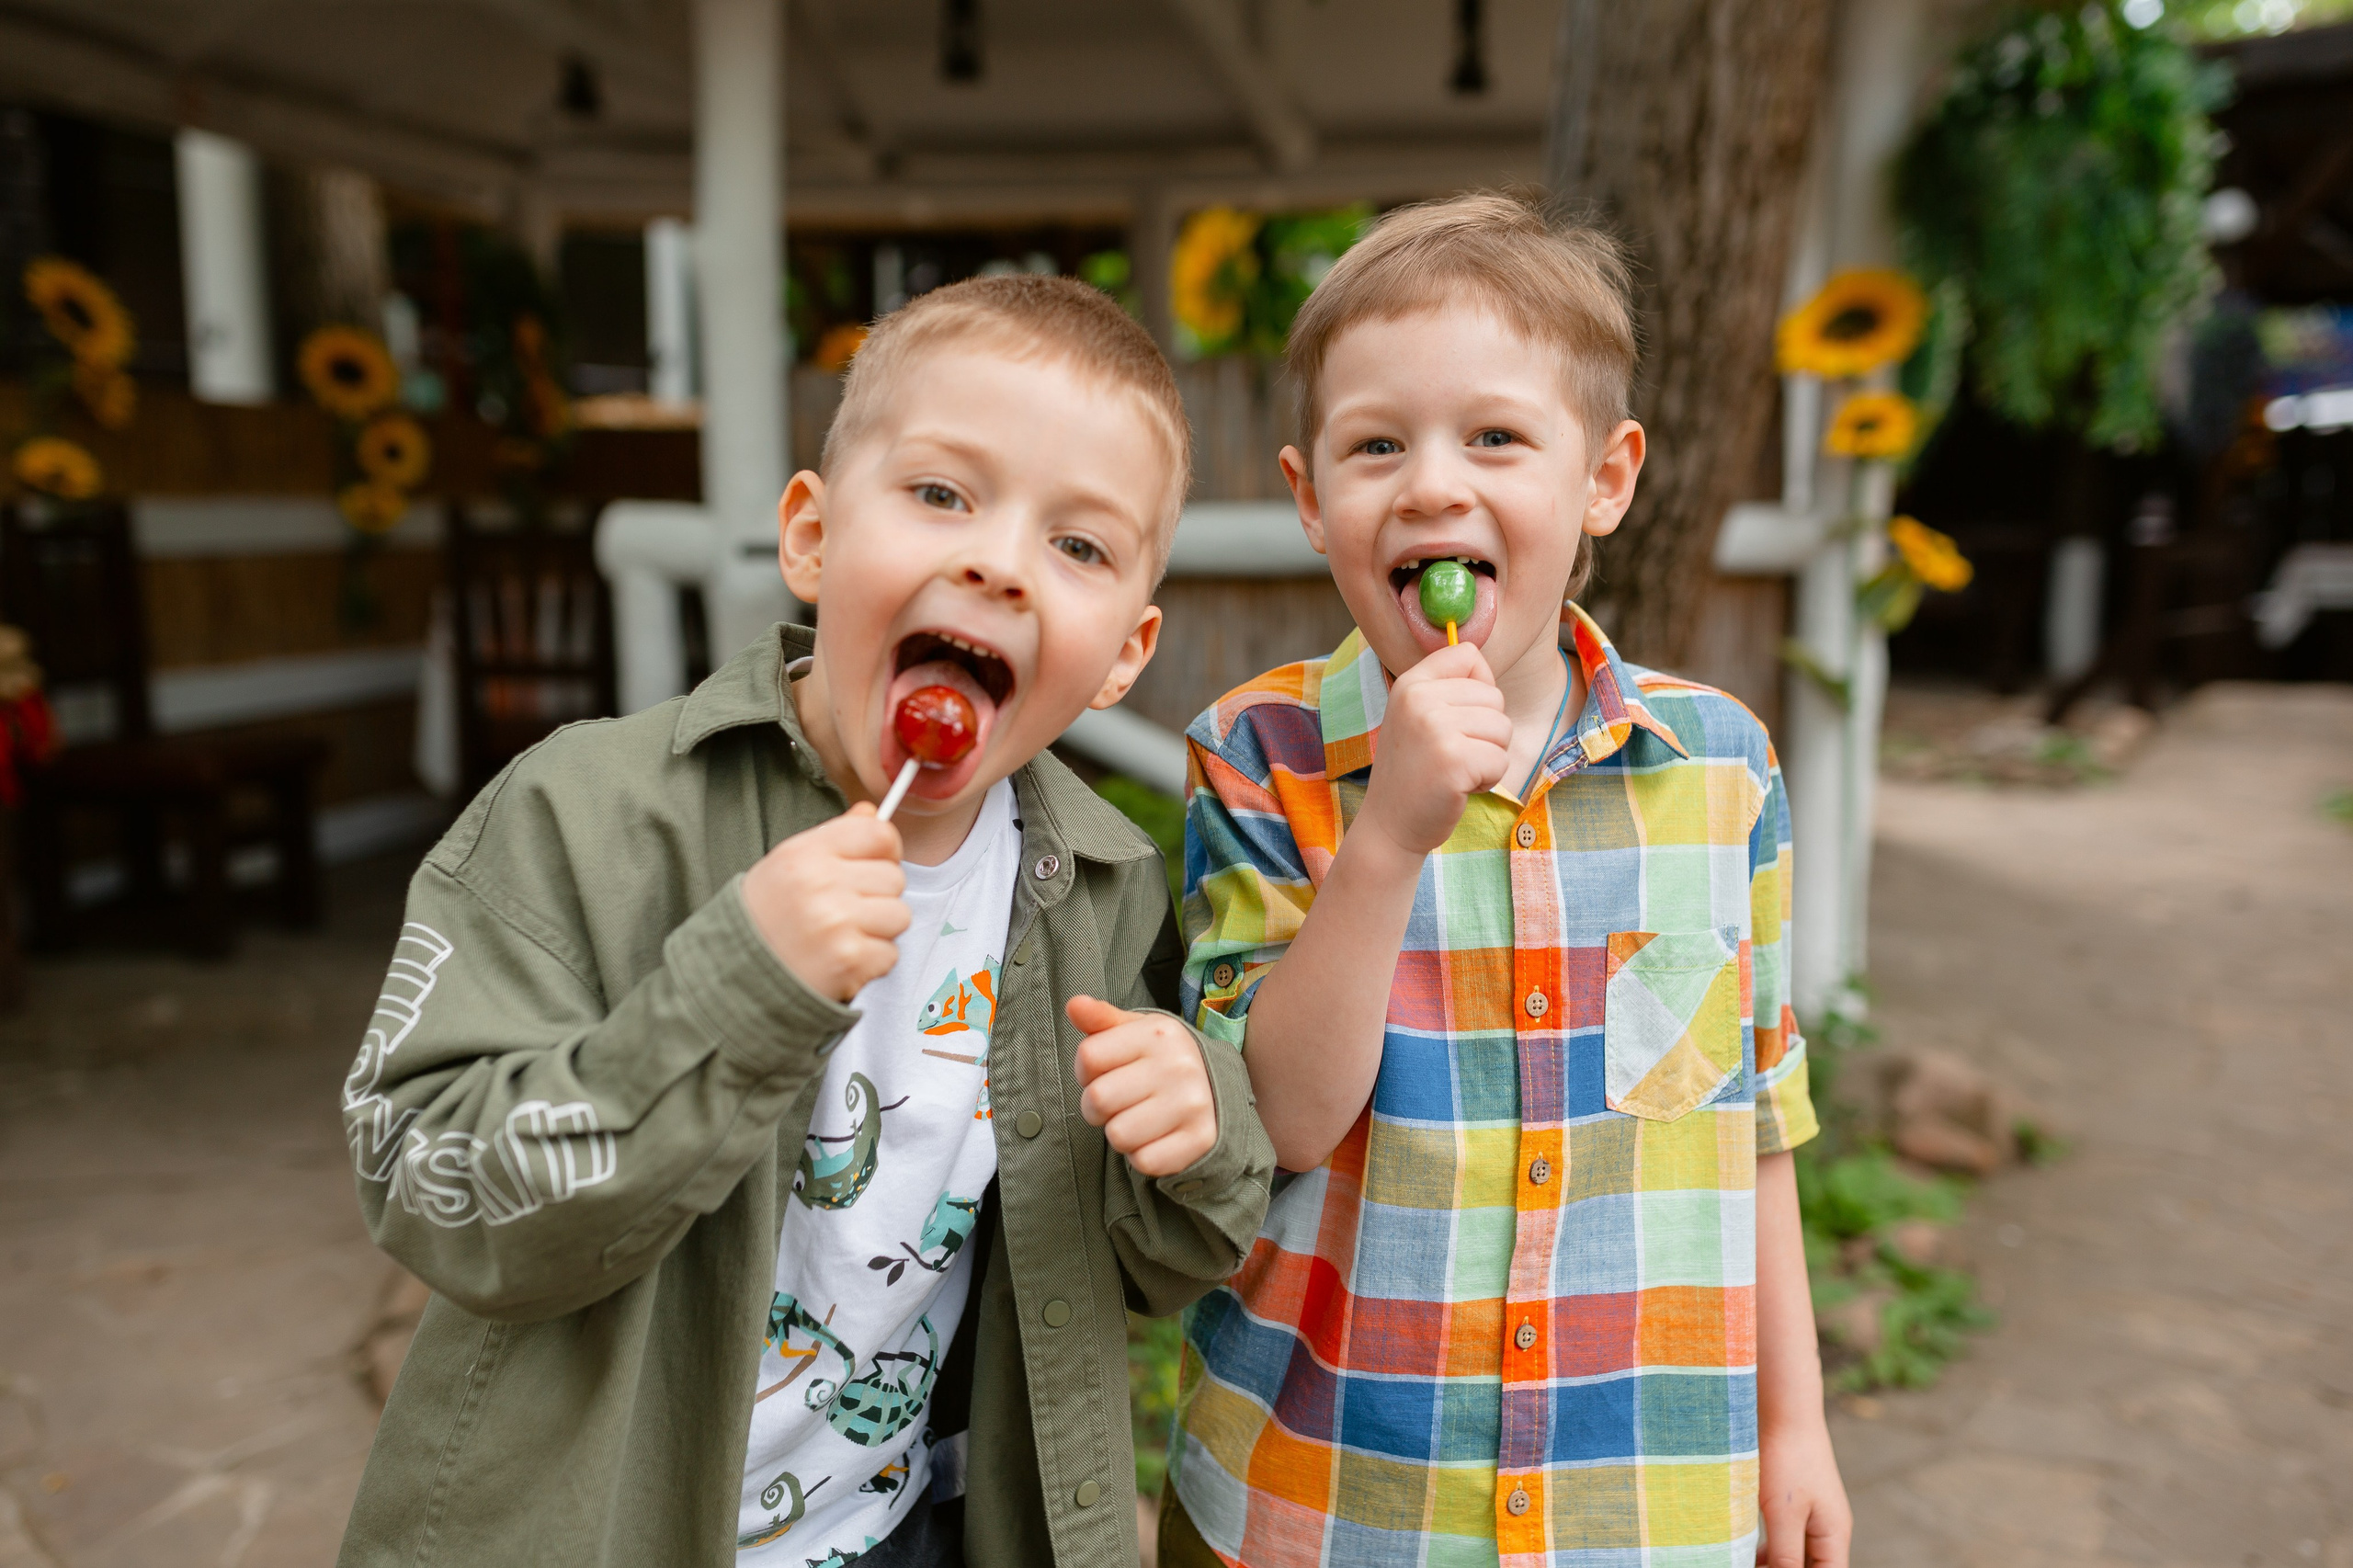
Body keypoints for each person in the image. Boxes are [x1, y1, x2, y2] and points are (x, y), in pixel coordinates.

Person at [335, 274, 1275, 1568]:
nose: (997, 560)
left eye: (1080, 546)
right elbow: (426, 1181)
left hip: (894, 1531)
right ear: (812, 536)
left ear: (1125, 652)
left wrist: (1198, 1127)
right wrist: (735, 988)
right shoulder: (586, 812)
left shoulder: (1103, 891)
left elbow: (1149, 1264)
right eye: (942, 493)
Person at [1160, 194, 1851, 1568]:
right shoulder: (1259, 757)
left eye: (1494, 436)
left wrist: (1796, 1427)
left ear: (1604, 475)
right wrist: (1390, 837)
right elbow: (1282, 1119)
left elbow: (1751, 1129)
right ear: (1310, 498)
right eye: (1376, 444)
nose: (1431, 483)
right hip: (1323, 1504)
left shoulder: (1721, 769)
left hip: (1640, 1512)